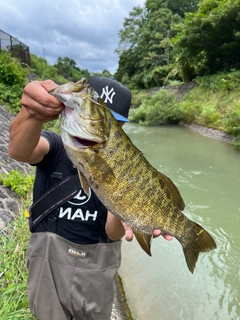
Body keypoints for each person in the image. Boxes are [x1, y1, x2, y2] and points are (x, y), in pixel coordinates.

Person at [8, 76, 173, 320]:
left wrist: (126, 211)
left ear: (121, 128)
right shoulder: (54, 146)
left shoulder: (126, 167)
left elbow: (113, 232)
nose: (98, 130)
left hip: (96, 267)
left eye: (111, 123)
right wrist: (32, 114)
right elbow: (19, 151)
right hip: (47, 264)